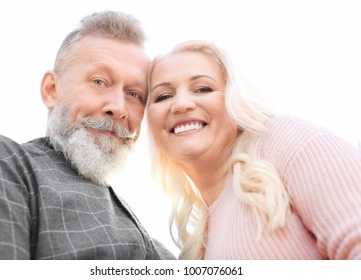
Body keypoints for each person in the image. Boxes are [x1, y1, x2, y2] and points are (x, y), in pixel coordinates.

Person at [0, 11, 175, 260]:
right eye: (99, 81)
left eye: (135, 94)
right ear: (51, 90)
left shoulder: (151, 242)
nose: (119, 108)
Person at [146, 40, 361, 260]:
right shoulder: (199, 242)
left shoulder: (282, 141)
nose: (181, 104)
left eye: (203, 89)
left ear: (233, 97)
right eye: (163, 96)